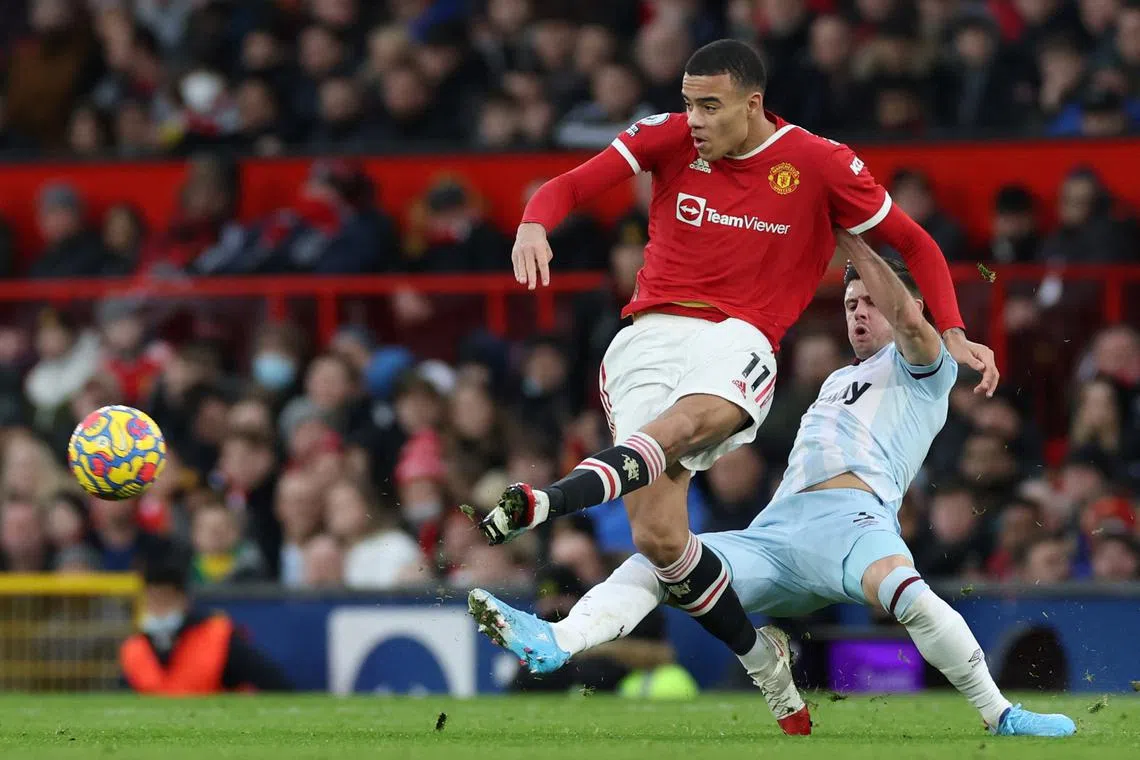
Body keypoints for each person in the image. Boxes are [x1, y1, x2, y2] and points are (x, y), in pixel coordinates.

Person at [476, 38, 999, 691]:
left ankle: (549, 505)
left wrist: (952, 328)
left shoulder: (817, 162)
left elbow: (914, 243)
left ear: (752, 104)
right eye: (689, 103)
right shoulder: (667, 138)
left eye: (711, 106)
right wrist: (532, 223)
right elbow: (571, 185)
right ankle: (762, 662)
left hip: (738, 337)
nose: (694, 120)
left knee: (689, 422)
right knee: (660, 542)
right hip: (647, 339)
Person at [470, 233, 1073, 738]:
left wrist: (851, 234)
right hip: (777, 533)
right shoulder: (837, 380)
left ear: (905, 306)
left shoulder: (927, 366)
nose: (859, 311)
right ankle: (559, 638)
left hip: (855, 524)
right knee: (662, 560)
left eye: (871, 301)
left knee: (908, 595)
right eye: (850, 302)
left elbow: (914, 323)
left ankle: (1001, 714)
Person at [119, 558, 292, 695]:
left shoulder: (216, 635)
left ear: (183, 601)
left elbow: (272, 680)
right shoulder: (134, 648)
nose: (160, 609)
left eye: (166, 600)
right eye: (153, 601)